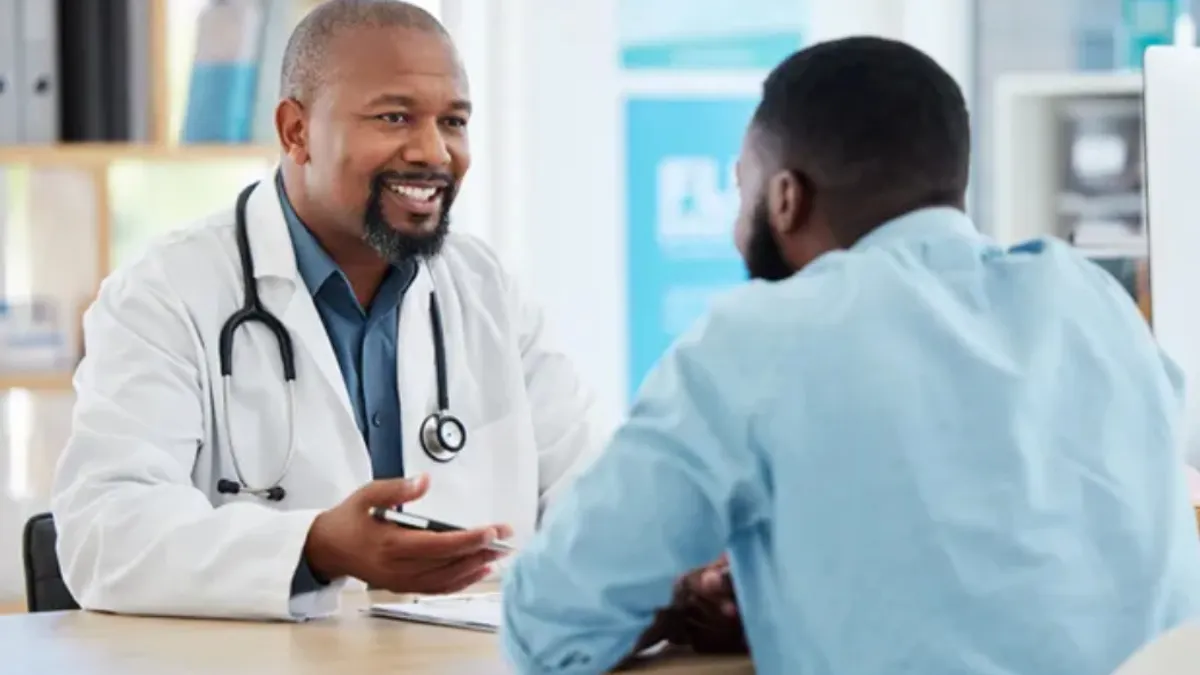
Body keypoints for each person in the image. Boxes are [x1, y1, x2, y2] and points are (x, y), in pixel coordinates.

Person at [499, 36, 1200, 674]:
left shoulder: (761, 338)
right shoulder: (1093, 302)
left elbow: (548, 625)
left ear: (785, 198)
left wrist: (674, 597)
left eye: (739, 189)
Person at [50, 0, 606, 621]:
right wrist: (315, 549)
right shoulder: (166, 293)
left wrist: (677, 577)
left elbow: (592, 494)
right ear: (296, 131)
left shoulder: (489, 291)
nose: (434, 152)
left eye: (453, 122)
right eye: (394, 117)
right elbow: (106, 536)